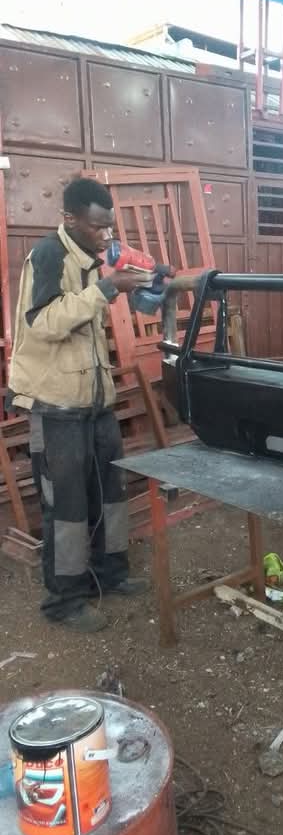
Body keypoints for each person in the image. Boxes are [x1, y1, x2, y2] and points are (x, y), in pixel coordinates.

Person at [8, 177, 149, 633]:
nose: (106, 235)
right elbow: (44, 322)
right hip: (57, 405)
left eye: (110, 226)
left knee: (110, 492)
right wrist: (105, 290)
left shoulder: (92, 257)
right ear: (70, 219)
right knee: (66, 506)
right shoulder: (48, 255)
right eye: (97, 226)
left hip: (94, 400)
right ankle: (65, 600)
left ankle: (111, 574)